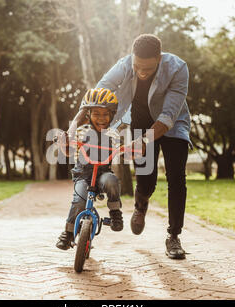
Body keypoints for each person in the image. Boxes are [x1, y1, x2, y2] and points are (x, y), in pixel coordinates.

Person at [67, 34, 191, 260]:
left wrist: (145, 141)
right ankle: (141, 204)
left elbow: (169, 115)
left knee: (176, 178)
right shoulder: (124, 65)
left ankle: (173, 236)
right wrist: (73, 126)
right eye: (137, 67)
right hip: (140, 123)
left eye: (148, 69)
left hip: (172, 126)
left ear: (159, 59)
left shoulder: (177, 68)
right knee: (146, 177)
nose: (141, 72)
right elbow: (98, 94)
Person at [56, 88, 123, 250]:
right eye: (96, 114)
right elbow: (67, 150)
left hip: (103, 174)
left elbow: (122, 148)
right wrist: (64, 142)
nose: (101, 118)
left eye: (105, 114)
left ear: (112, 115)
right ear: (88, 114)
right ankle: (68, 233)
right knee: (79, 201)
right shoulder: (80, 132)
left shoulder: (113, 135)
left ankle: (115, 213)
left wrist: (128, 149)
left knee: (112, 181)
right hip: (83, 176)